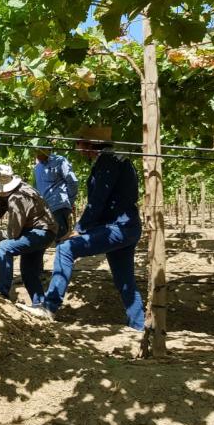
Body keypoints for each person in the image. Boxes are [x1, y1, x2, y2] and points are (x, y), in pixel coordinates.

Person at [18, 127, 145, 331]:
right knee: (125, 281)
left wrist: (80, 228)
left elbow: (98, 200)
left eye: (78, 143)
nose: (77, 148)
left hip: (117, 227)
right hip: (127, 227)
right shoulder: (118, 159)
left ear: (88, 145)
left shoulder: (107, 161)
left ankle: (49, 307)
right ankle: (139, 327)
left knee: (65, 248)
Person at [0, 164, 57, 304]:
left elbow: (12, 233)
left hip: (41, 232)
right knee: (28, 272)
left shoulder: (17, 199)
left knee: (4, 247)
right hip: (36, 231)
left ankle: (2, 293)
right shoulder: (5, 193)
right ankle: (40, 305)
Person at [34, 147, 78, 241]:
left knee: (62, 240)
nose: (36, 154)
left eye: (39, 151)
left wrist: (69, 201)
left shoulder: (59, 161)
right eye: (35, 151)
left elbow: (72, 182)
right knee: (42, 242)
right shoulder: (37, 168)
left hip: (59, 207)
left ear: (46, 150)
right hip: (44, 210)